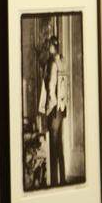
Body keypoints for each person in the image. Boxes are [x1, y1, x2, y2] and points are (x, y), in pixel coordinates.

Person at [41, 36, 67, 187]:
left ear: (52, 47)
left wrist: (49, 107)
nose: (48, 48)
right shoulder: (62, 61)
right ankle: (62, 178)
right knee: (59, 144)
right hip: (62, 107)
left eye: (49, 46)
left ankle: (55, 181)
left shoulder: (51, 62)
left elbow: (51, 87)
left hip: (54, 108)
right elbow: (64, 84)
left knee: (53, 143)